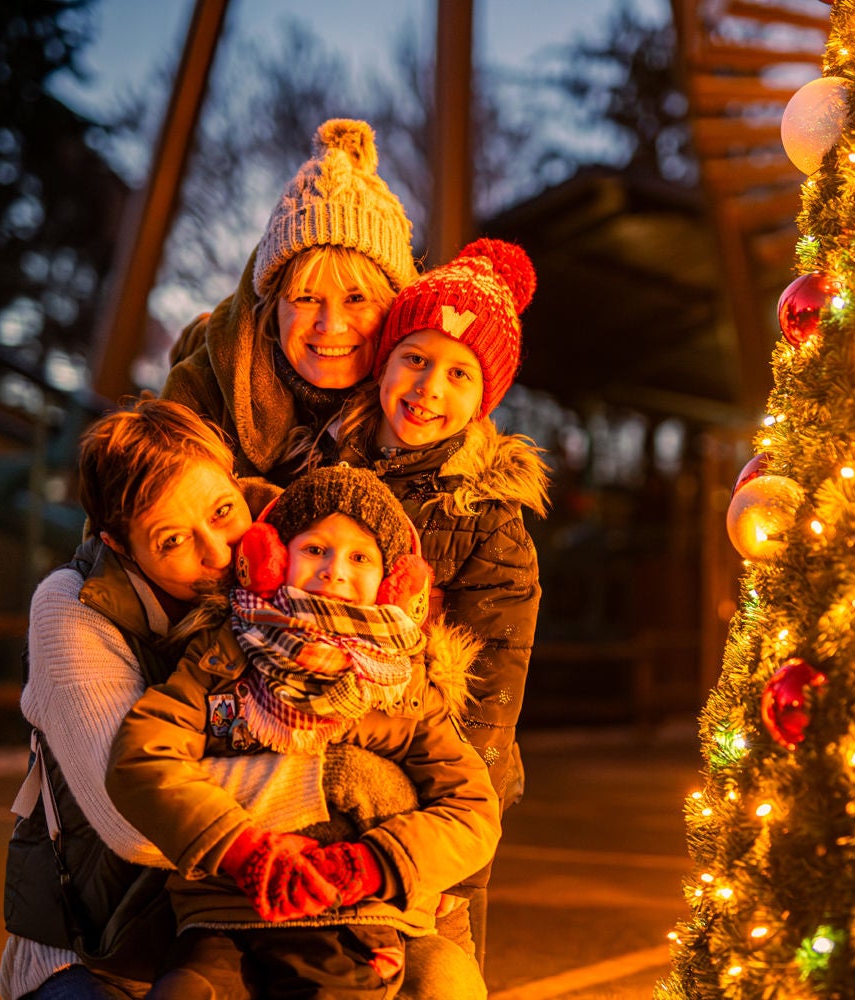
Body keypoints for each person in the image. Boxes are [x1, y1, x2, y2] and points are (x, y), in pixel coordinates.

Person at [0, 400, 484, 1000]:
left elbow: (459, 790)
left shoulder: (303, 556)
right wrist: (342, 781)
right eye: (171, 540)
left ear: (235, 479)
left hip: (331, 901)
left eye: (222, 511)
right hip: (111, 944)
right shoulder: (73, 609)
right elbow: (129, 819)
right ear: (120, 548)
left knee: (447, 982)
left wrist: (380, 857)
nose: (217, 553)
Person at [106, 465, 500, 999]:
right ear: (271, 559)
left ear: (392, 581)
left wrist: (370, 864)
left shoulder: (409, 683)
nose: (335, 571)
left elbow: (472, 809)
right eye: (315, 548)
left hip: (366, 914)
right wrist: (243, 850)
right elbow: (143, 759)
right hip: (230, 911)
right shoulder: (222, 656)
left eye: (360, 557)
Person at [323, 238, 548, 960]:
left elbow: (492, 693)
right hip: (325, 759)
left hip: (438, 776)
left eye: (458, 373)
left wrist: (458, 831)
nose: (428, 389)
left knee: (434, 959)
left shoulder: (489, 522)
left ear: (484, 397)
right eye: (415, 359)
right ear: (384, 362)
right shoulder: (324, 473)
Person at [163, 118, 418, 502]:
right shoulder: (203, 389)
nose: (330, 325)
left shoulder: (430, 405)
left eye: (356, 298)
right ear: (271, 306)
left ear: (394, 308)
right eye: (306, 297)